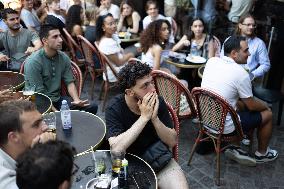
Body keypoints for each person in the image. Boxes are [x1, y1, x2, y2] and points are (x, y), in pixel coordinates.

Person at [106, 62, 189, 189]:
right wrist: (144, 118)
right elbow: (117, 149)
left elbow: (172, 141)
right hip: (128, 163)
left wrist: (155, 119)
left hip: (158, 157)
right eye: (145, 85)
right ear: (130, 92)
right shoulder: (114, 108)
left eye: (151, 82)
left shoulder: (158, 101)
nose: (153, 89)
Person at [202, 35, 278, 164]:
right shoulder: (241, 73)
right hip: (223, 127)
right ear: (234, 53)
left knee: (238, 104)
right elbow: (252, 105)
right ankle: (262, 153)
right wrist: (266, 105)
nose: (249, 54)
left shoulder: (211, 61)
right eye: (246, 50)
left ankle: (235, 146)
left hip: (206, 120)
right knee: (268, 114)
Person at [24, 24, 98, 114]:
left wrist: (76, 100)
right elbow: (39, 95)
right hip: (37, 102)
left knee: (92, 107)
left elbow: (69, 82)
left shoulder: (63, 57)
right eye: (55, 37)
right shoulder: (33, 62)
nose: (61, 40)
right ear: (45, 40)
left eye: (60, 36)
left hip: (58, 99)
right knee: (62, 118)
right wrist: (57, 113)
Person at [0, 100, 55, 189]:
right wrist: (46, 157)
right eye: (36, 124)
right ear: (13, 137)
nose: (46, 127)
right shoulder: (4, 180)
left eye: (42, 121)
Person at [221, 14, 270, 80]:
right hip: (227, 77)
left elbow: (266, 64)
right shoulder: (229, 39)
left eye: (253, 25)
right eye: (248, 25)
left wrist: (252, 75)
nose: (251, 27)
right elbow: (222, 58)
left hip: (246, 80)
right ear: (240, 25)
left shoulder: (259, 43)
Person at [96, 13, 134, 82]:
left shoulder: (111, 36)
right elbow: (119, 63)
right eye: (110, 24)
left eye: (114, 23)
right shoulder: (108, 42)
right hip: (115, 73)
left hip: (115, 68)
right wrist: (130, 55)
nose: (114, 26)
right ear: (103, 27)